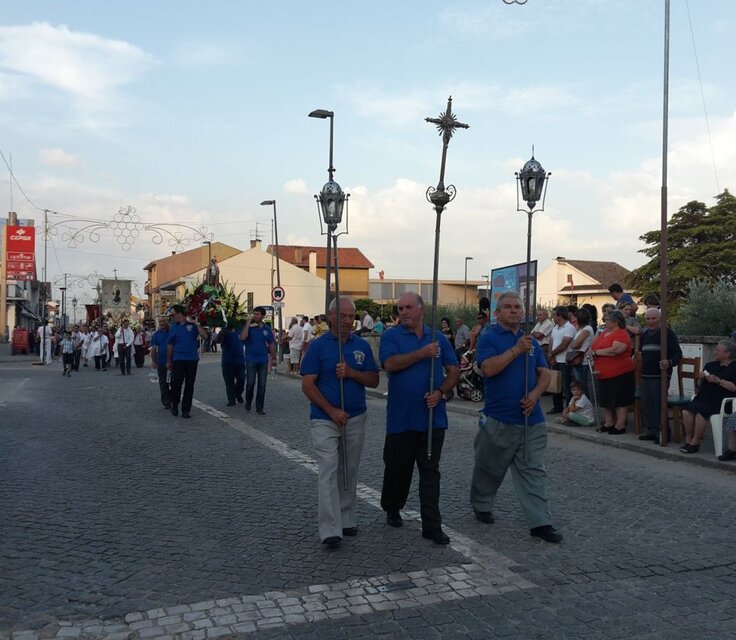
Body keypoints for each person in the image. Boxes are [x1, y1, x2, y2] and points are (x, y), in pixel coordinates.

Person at [470, 291, 562, 544]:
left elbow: (544, 373)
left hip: (531, 419)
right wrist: (516, 350)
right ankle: (482, 504)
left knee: (533, 471)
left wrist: (534, 394)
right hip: (498, 417)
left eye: (517, 307)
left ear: (523, 312)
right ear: (497, 313)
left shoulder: (530, 342)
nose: (513, 310)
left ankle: (540, 522)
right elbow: (488, 369)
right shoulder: (489, 338)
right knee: (489, 468)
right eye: (508, 307)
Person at [379, 292, 459, 545]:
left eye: (408, 307)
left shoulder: (438, 338)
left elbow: (453, 369)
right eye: (400, 308)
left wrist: (441, 391)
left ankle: (432, 526)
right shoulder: (391, 336)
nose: (403, 312)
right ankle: (392, 506)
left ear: (421, 309)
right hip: (401, 419)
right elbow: (390, 364)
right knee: (397, 469)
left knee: (430, 473)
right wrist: (421, 354)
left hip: (432, 420)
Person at [300, 297, 380, 548]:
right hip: (324, 418)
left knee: (349, 468)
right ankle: (330, 528)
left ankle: (346, 518)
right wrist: (332, 411)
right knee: (328, 468)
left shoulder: (361, 346)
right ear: (330, 316)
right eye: (342, 316)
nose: (347, 321)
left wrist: (352, 373)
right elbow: (307, 385)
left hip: (355, 416)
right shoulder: (318, 347)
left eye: (351, 316)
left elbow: (374, 380)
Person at [680, 339, 736, 454]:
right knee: (686, 411)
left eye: (718, 350)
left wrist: (718, 380)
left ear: (727, 354)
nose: (715, 352)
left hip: (722, 401)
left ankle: (695, 442)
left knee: (701, 412)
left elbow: (734, 388)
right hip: (704, 397)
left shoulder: (734, 368)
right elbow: (698, 388)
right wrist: (700, 378)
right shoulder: (710, 365)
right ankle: (688, 439)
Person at [637, 308, 682, 443]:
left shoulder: (667, 334)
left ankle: (663, 432)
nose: (650, 322)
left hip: (660, 375)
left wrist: (669, 362)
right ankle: (651, 430)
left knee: (658, 404)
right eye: (648, 319)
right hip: (646, 374)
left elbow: (677, 354)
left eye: (653, 318)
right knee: (647, 403)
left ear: (660, 319)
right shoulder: (645, 334)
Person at [590, 309, 635, 434]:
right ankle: (608, 422)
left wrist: (597, 352)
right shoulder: (604, 333)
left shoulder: (621, 334)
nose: (605, 322)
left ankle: (620, 425)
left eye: (608, 320)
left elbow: (616, 350)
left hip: (620, 372)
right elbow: (594, 346)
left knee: (620, 400)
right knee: (606, 400)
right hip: (603, 373)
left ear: (616, 322)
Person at [167, 304, 208, 418]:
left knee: (190, 385)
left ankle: (186, 409)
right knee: (177, 383)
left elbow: (205, 336)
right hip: (178, 359)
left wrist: (197, 323)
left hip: (192, 359)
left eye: (173, 315)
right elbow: (170, 345)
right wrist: (169, 360)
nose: (172, 317)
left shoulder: (193, 326)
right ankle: (175, 404)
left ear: (180, 314)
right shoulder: (173, 327)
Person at [240, 306, 277, 414]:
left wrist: (274, 358)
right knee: (250, 383)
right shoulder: (250, 327)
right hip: (251, 359)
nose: (255, 316)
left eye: (258, 314)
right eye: (254, 314)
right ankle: (248, 401)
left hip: (263, 360)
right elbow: (243, 337)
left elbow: (271, 344)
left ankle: (259, 407)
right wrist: (247, 323)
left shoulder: (267, 329)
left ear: (263, 316)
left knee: (262, 384)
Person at [547, 306, 576, 415]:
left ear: (560, 316)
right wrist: (551, 355)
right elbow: (551, 341)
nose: (552, 317)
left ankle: (568, 408)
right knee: (555, 384)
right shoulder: (555, 327)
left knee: (566, 385)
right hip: (555, 359)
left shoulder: (569, 327)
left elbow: (564, 345)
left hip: (565, 361)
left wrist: (551, 354)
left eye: (554, 315)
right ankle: (557, 406)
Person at [217, 325, 246, 407]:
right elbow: (217, 340)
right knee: (229, 382)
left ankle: (238, 393)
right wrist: (223, 331)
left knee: (242, 380)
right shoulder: (224, 331)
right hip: (227, 361)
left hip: (240, 360)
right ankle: (231, 399)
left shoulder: (240, 329)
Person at [149, 317, 171, 409]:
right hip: (161, 362)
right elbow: (153, 349)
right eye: (160, 321)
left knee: (175, 382)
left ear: (167, 321)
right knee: (163, 382)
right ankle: (166, 402)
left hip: (174, 361)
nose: (161, 323)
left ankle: (173, 398)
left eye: (163, 321)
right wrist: (154, 362)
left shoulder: (172, 332)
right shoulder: (156, 335)